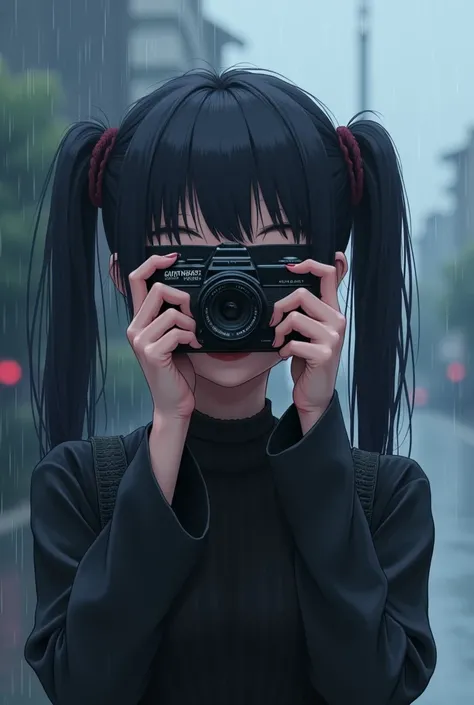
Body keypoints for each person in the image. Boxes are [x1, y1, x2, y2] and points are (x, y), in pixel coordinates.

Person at [24, 68, 436, 705]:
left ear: (331, 275)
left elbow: (372, 688)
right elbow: (85, 689)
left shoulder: (388, 496)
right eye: (188, 255)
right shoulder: (78, 488)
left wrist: (315, 417)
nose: (229, 289)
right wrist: (169, 425)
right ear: (120, 276)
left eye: (267, 251)